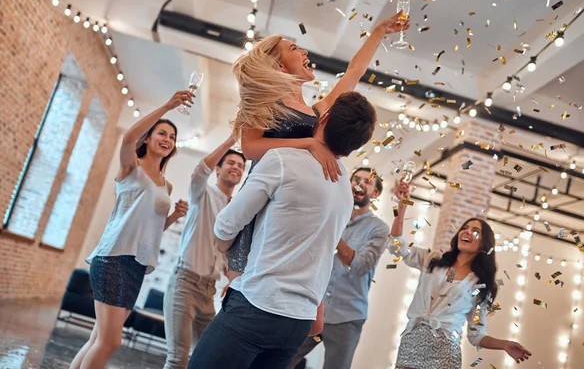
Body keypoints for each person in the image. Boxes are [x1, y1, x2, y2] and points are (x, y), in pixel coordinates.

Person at [187, 91, 378, 369]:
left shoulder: (283, 160)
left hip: (258, 305)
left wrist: (225, 247)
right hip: (298, 323)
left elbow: (225, 225)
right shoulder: (345, 189)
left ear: (323, 118)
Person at [226, 10, 410, 279]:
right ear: (280, 66)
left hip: (295, 209)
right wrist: (310, 143)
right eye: (294, 48)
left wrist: (378, 33)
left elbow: (353, 73)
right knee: (243, 286)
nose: (304, 53)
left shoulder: (316, 112)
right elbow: (250, 147)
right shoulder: (265, 104)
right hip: (261, 203)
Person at [70, 91, 193, 369]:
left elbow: (152, 229)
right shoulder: (130, 168)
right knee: (110, 341)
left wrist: (175, 215)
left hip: (136, 266)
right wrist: (167, 106)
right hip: (113, 257)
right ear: (147, 138)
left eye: (172, 137)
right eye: (161, 133)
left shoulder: (166, 185)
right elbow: (127, 138)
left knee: (98, 339)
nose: (167, 140)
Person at [387, 182, 532, 369]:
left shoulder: (479, 285)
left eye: (475, 232)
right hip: (410, 344)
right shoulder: (433, 259)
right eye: (465, 227)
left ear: (483, 246)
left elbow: (476, 334)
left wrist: (504, 345)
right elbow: (396, 246)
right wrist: (401, 207)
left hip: (444, 354)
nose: (467, 231)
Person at [288, 168, 389, 369]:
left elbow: (361, 266)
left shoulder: (379, 229)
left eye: (367, 182)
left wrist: (333, 230)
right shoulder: (329, 213)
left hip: (347, 316)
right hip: (310, 307)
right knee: (279, 361)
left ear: (375, 193)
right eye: (356, 179)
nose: (359, 184)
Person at [163, 135, 246, 369]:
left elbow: (228, 254)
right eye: (231, 163)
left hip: (209, 292)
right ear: (218, 169)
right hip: (185, 285)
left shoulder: (237, 210)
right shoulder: (202, 195)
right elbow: (200, 171)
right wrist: (230, 141)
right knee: (178, 359)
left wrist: (234, 278)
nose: (236, 167)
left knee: (208, 361)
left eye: (241, 165)